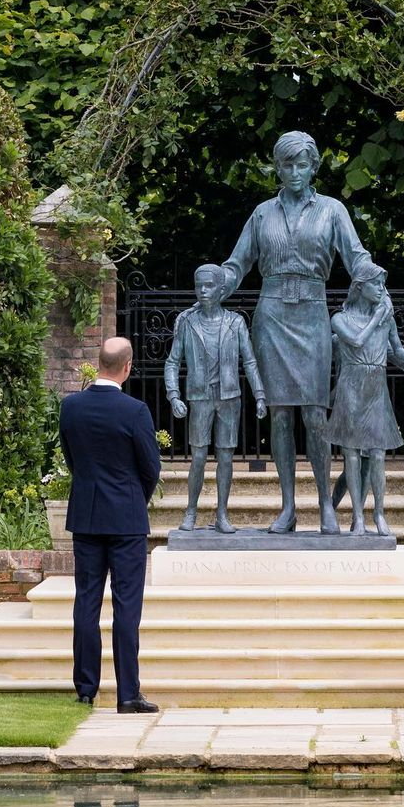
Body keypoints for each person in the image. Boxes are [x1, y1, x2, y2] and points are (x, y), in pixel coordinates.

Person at [221, 131, 373, 534]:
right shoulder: (261, 213)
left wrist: (376, 285)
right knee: (281, 415)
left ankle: (325, 502)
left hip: (312, 314)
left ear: (314, 167)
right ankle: (288, 507)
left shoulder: (332, 211)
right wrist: (216, 283)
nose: (293, 172)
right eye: (287, 164)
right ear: (277, 167)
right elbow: (238, 264)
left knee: (315, 413)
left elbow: (356, 257)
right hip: (271, 316)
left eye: (301, 164)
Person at [59, 336, 162, 713]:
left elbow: (73, 460)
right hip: (127, 520)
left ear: (98, 362)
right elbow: (151, 467)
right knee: (126, 606)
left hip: (86, 517)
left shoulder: (70, 407)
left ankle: (86, 688)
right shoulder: (135, 411)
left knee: (86, 601)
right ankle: (128, 694)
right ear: (127, 367)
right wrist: (135, 497)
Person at [326, 261, 404, 535]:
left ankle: (379, 513)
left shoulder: (385, 319)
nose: (381, 289)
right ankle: (357, 518)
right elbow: (356, 341)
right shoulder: (340, 319)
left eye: (383, 284)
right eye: (375, 284)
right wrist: (378, 317)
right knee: (352, 455)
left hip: (376, 387)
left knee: (378, 454)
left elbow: (400, 355)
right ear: (359, 286)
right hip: (351, 387)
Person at [164, 263, 267, 533]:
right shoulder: (187, 322)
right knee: (198, 457)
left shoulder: (235, 322)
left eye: (209, 286)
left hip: (229, 397)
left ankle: (222, 513)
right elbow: (172, 362)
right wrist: (173, 395)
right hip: (200, 397)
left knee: (226, 457)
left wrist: (259, 395)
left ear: (222, 290)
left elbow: (250, 361)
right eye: (199, 285)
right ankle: (191, 511)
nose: (203, 291)